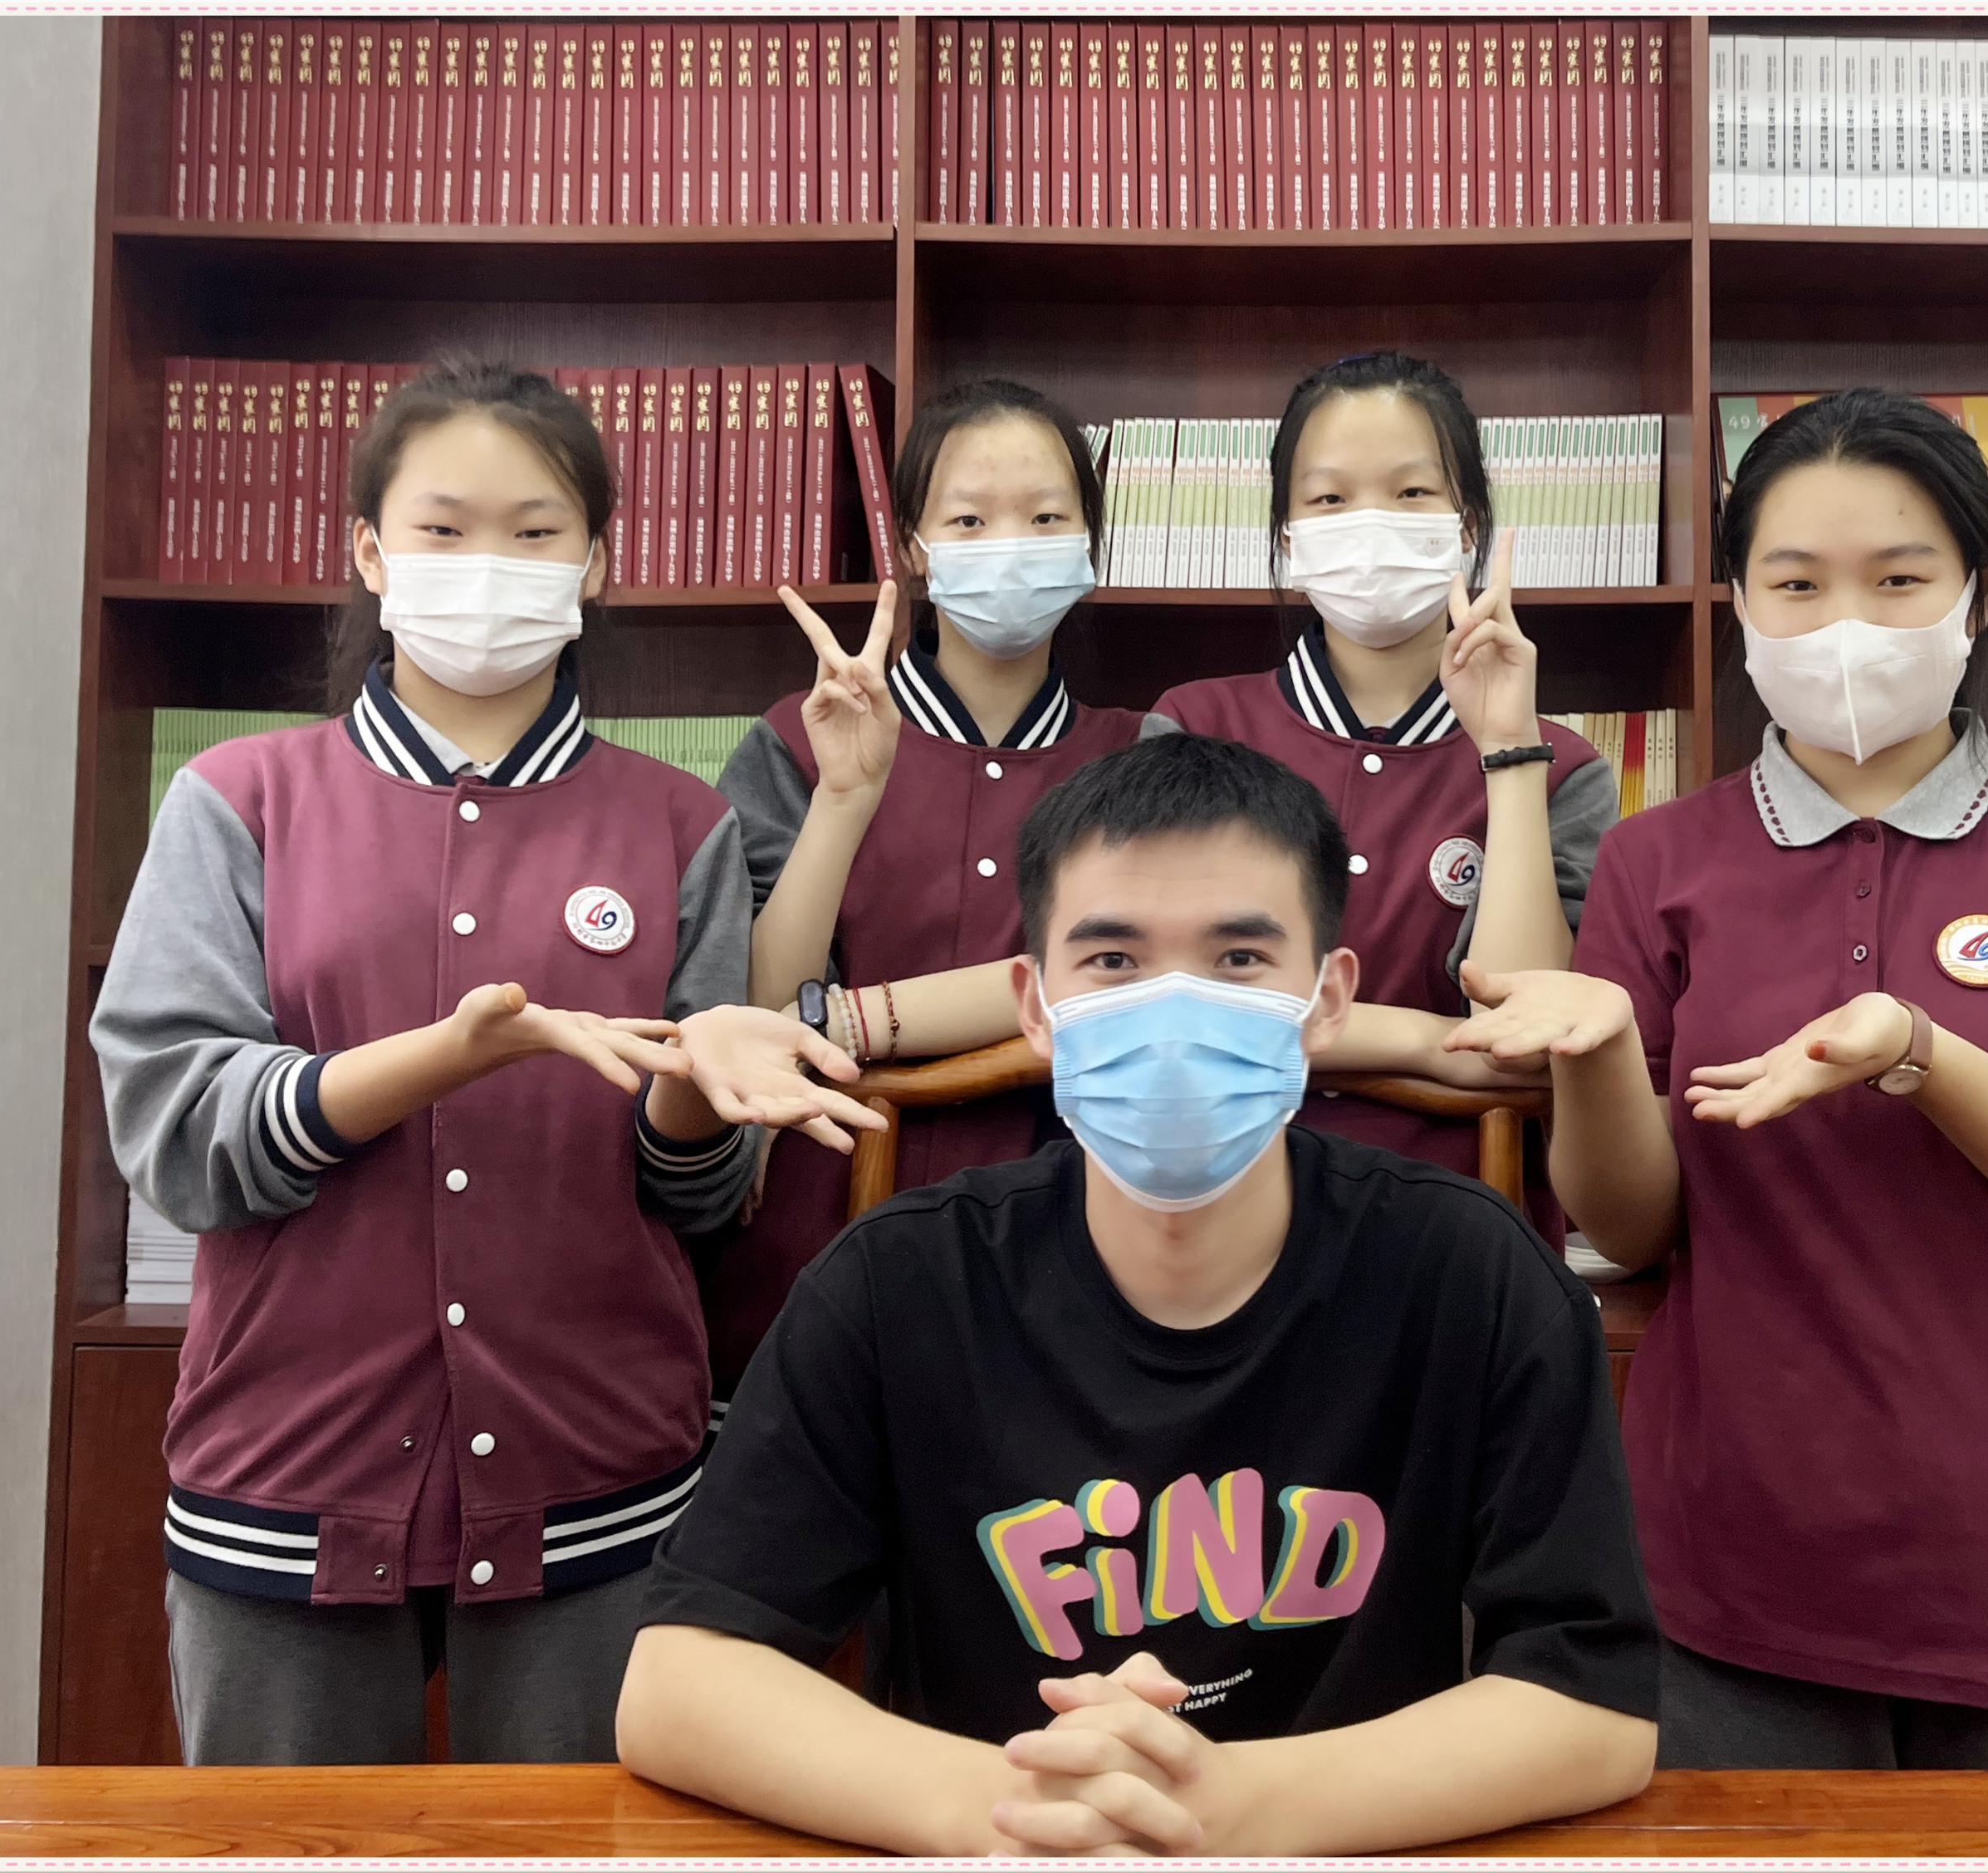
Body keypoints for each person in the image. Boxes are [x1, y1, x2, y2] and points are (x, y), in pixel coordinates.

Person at [619, 733, 1662, 1856]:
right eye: (1112, 959)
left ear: (1327, 999)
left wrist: (1227, 1804)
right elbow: (681, 1681)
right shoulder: (897, 1281)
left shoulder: (1473, 1273)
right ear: (1033, 1002)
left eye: (1239, 958)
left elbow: (1591, 1706)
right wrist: (1028, 1810)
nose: (1174, 1010)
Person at [91, 360, 879, 1767]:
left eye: (534, 531)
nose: (488, 566)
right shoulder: (237, 798)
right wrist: (442, 1056)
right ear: (370, 551)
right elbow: (176, 1133)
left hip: (601, 1475)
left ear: (594, 562)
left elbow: (698, 1202)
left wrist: (693, 1091)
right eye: (444, 530)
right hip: (290, 1469)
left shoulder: (679, 824)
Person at [1465, 385, 1988, 1770]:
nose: (1846, 625)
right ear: (1742, 602)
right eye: (1798, 583)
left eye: (1898, 579)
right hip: (1736, 1586)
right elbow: (1630, 1229)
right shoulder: (1656, 858)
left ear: (1976, 595)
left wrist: (1922, 1054)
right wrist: (1598, 1056)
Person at [702, 379, 1150, 1388]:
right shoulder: (792, 741)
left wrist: (840, 1018)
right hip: (809, 1244)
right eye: (969, 520)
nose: (1009, 545)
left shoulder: (1140, 752)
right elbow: (755, 1003)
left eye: (1046, 517)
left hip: (1065, 1249)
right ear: (912, 545)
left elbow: (1127, 984)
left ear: (1089, 541)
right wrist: (841, 798)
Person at [1152, 351, 1613, 1211]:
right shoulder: (1192, 725)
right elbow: (1173, 1004)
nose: (1370, 524)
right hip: (1217, 1205)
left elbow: (1518, 1036)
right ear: (1286, 536)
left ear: (1467, 527)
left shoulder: (1564, 768)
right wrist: (1426, 1042)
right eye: (1329, 499)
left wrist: (1508, 750)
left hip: (1465, 1221)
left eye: (1410, 492)